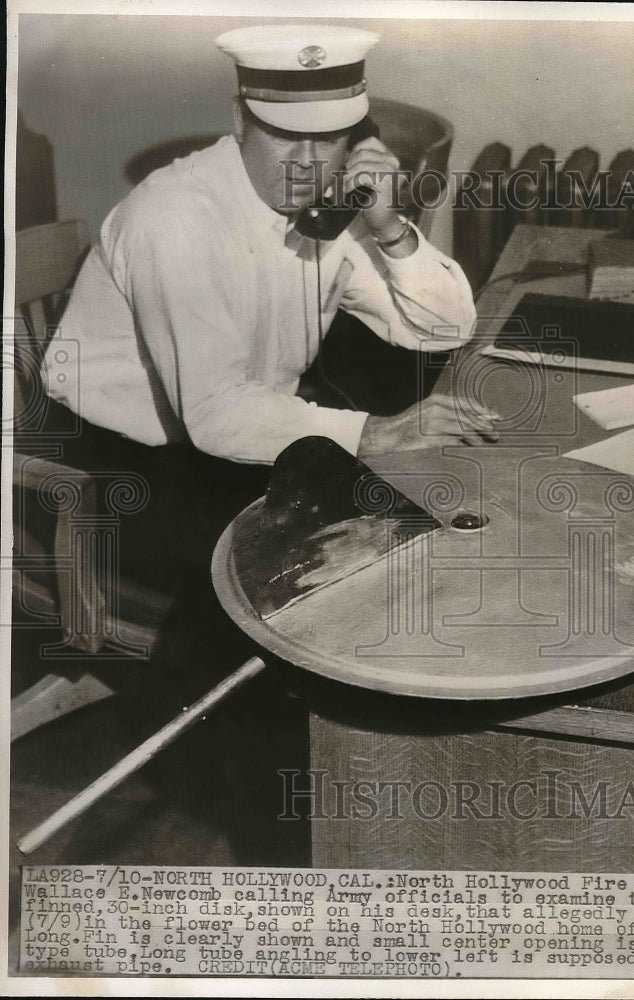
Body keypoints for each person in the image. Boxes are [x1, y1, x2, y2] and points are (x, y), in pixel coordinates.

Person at [39, 24, 496, 622]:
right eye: (283, 135)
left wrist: (389, 227)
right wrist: (375, 433)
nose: (308, 163)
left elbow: (442, 329)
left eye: (331, 138)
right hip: (113, 476)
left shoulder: (333, 203)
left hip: (235, 442)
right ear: (239, 120)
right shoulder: (175, 220)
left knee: (412, 535)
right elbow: (215, 415)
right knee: (319, 591)